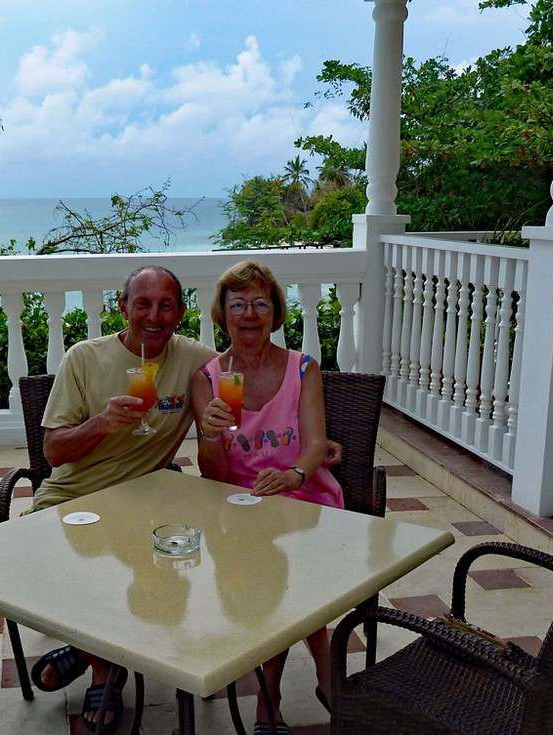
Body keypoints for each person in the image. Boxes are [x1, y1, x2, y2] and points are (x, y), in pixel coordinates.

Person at [29, 264, 216, 732]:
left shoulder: (194, 359)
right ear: (123, 307)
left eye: (166, 305)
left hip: (143, 498)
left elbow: (253, 370)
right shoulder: (83, 358)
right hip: (72, 497)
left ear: (180, 312)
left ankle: (90, 655)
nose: (154, 316)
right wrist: (101, 424)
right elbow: (53, 452)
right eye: (143, 304)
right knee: (80, 565)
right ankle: (104, 665)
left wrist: (318, 444)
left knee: (166, 556)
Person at [192, 260, 342, 734]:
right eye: (238, 305)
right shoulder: (209, 379)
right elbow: (214, 474)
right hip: (240, 503)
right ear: (223, 316)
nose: (250, 314)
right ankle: (322, 665)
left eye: (260, 304)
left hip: (303, 493)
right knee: (266, 557)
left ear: (276, 314)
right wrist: (209, 434)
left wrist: (294, 475)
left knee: (282, 558)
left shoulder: (303, 368)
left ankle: (269, 696)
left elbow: (315, 445)